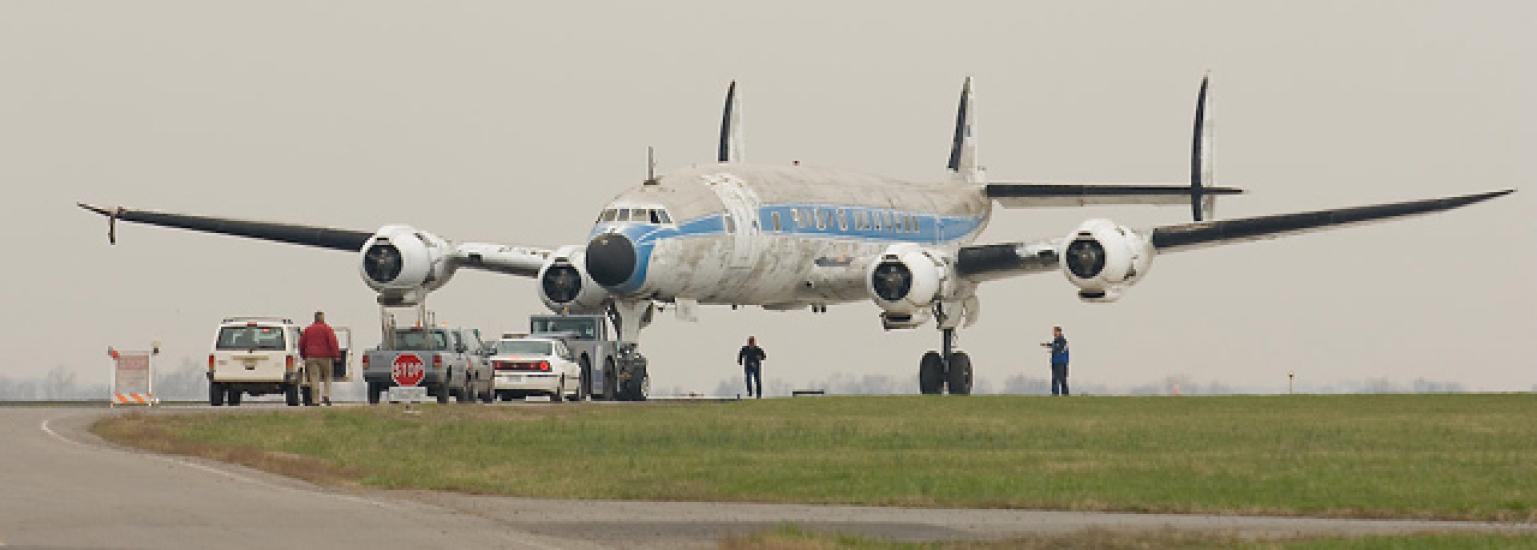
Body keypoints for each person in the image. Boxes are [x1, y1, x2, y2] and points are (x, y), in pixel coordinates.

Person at [298, 311, 340, 406]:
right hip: (326, 357)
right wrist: (336, 355)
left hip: (311, 357)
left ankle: (315, 400)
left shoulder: (308, 330)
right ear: (322, 318)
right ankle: (326, 395)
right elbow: (333, 342)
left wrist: (303, 355)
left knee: (314, 378)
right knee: (328, 376)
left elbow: (302, 343)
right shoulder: (327, 329)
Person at [1040, 326, 1070, 396]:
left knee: (1061, 379)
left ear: (1059, 332)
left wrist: (1052, 348)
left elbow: (1059, 348)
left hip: (1061, 362)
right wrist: (1047, 345)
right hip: (1055, 362)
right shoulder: (1056, 341)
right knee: (1055, 378)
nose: (1053, 333)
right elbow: (1054, 346)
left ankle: (1063, 393)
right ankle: (1056, 393)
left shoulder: (1062, 341)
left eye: (1055, 331)